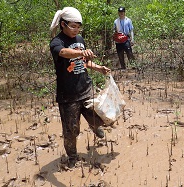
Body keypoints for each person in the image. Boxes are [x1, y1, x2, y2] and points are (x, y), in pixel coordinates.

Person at [49, 7, 111, 168]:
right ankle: (73, 157)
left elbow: (84, 62)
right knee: (72, 130)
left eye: (78, 27)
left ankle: (94, 126)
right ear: (63, 24)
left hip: (85, 88)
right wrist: (80, 53)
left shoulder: (80, 39)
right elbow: (63, 53)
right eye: (73, 26)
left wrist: (98, 67)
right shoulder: (57, 42)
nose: (76, 30)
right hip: (68, 95)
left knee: (98, 118)